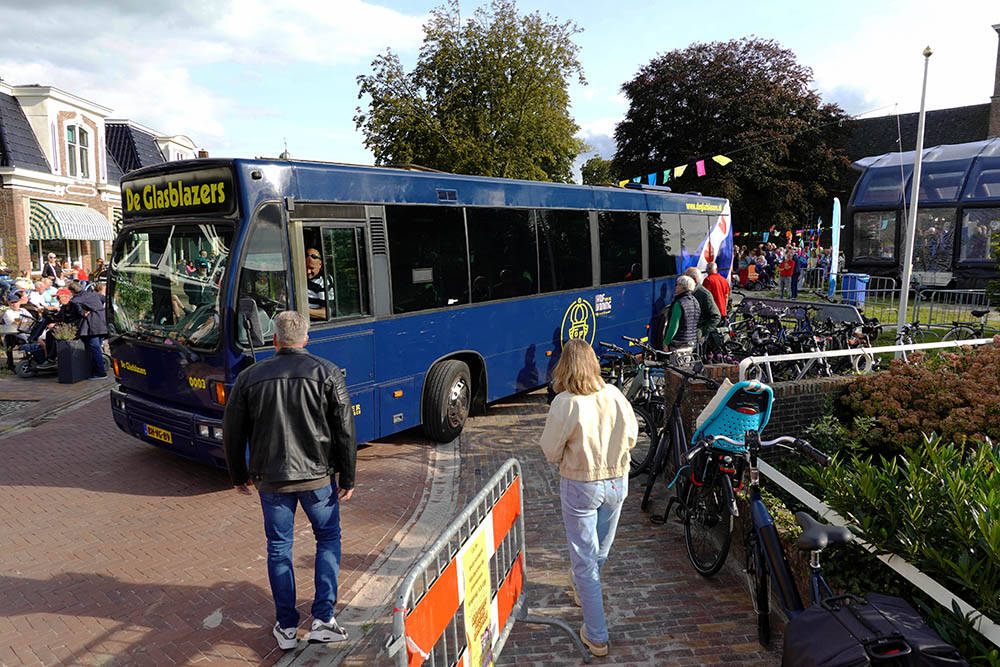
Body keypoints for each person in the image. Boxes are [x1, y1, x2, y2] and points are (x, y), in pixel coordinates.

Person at [222, 310, 357, 651]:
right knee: (327, 539)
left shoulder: (250, 377)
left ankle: (285, 626)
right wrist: (348, 475)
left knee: (279, 549)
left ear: (275, 340)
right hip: (317, 478)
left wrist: (238, 474)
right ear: (307, 339)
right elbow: (344, 429)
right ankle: (324, 619)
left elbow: (233, 432)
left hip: (271, 480)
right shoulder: (326, 372)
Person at [538, 338, 637, 658]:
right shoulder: (615, 394)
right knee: (599, 551)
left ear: (564, 366)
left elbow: (550, 451)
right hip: (617, 481)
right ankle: (584, 591)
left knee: (585, 559)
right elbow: (633, 436)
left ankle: (596, 635)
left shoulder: (565, 402)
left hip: (582, 482)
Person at [68, 281, 108, 378]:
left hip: (92, 326)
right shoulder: (93, 294)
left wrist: (85, 312)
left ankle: (100, 373)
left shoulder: (75, 300)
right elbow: (104, 299)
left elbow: (78, 313)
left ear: (73, 291)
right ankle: (97, 370)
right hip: (102, 322)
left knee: (95, 349)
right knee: (97, 348)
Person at [653, 275, 701, 351]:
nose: (675, 287)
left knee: (676, 362)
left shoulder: (679, 303)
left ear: (682, 287)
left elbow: (674, 325)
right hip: (691, 342)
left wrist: (666, 342)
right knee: (686, 362)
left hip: (679, 344)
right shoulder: (695, 301)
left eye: (677, 284)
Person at [683, 267, 722, 342]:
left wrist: (701, 331)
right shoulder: (687, 292)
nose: (684, 280)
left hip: (696, 337)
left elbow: (716, 316)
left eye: (686, 277)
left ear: (694, 280)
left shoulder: (704, 294)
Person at [305, 247, 334, 319]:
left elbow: (327, 313)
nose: (308, 272)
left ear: (320, 264)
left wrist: (301, 310)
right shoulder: (295, 275)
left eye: (311, 268)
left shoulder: (324, 281)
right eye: (305, 267)